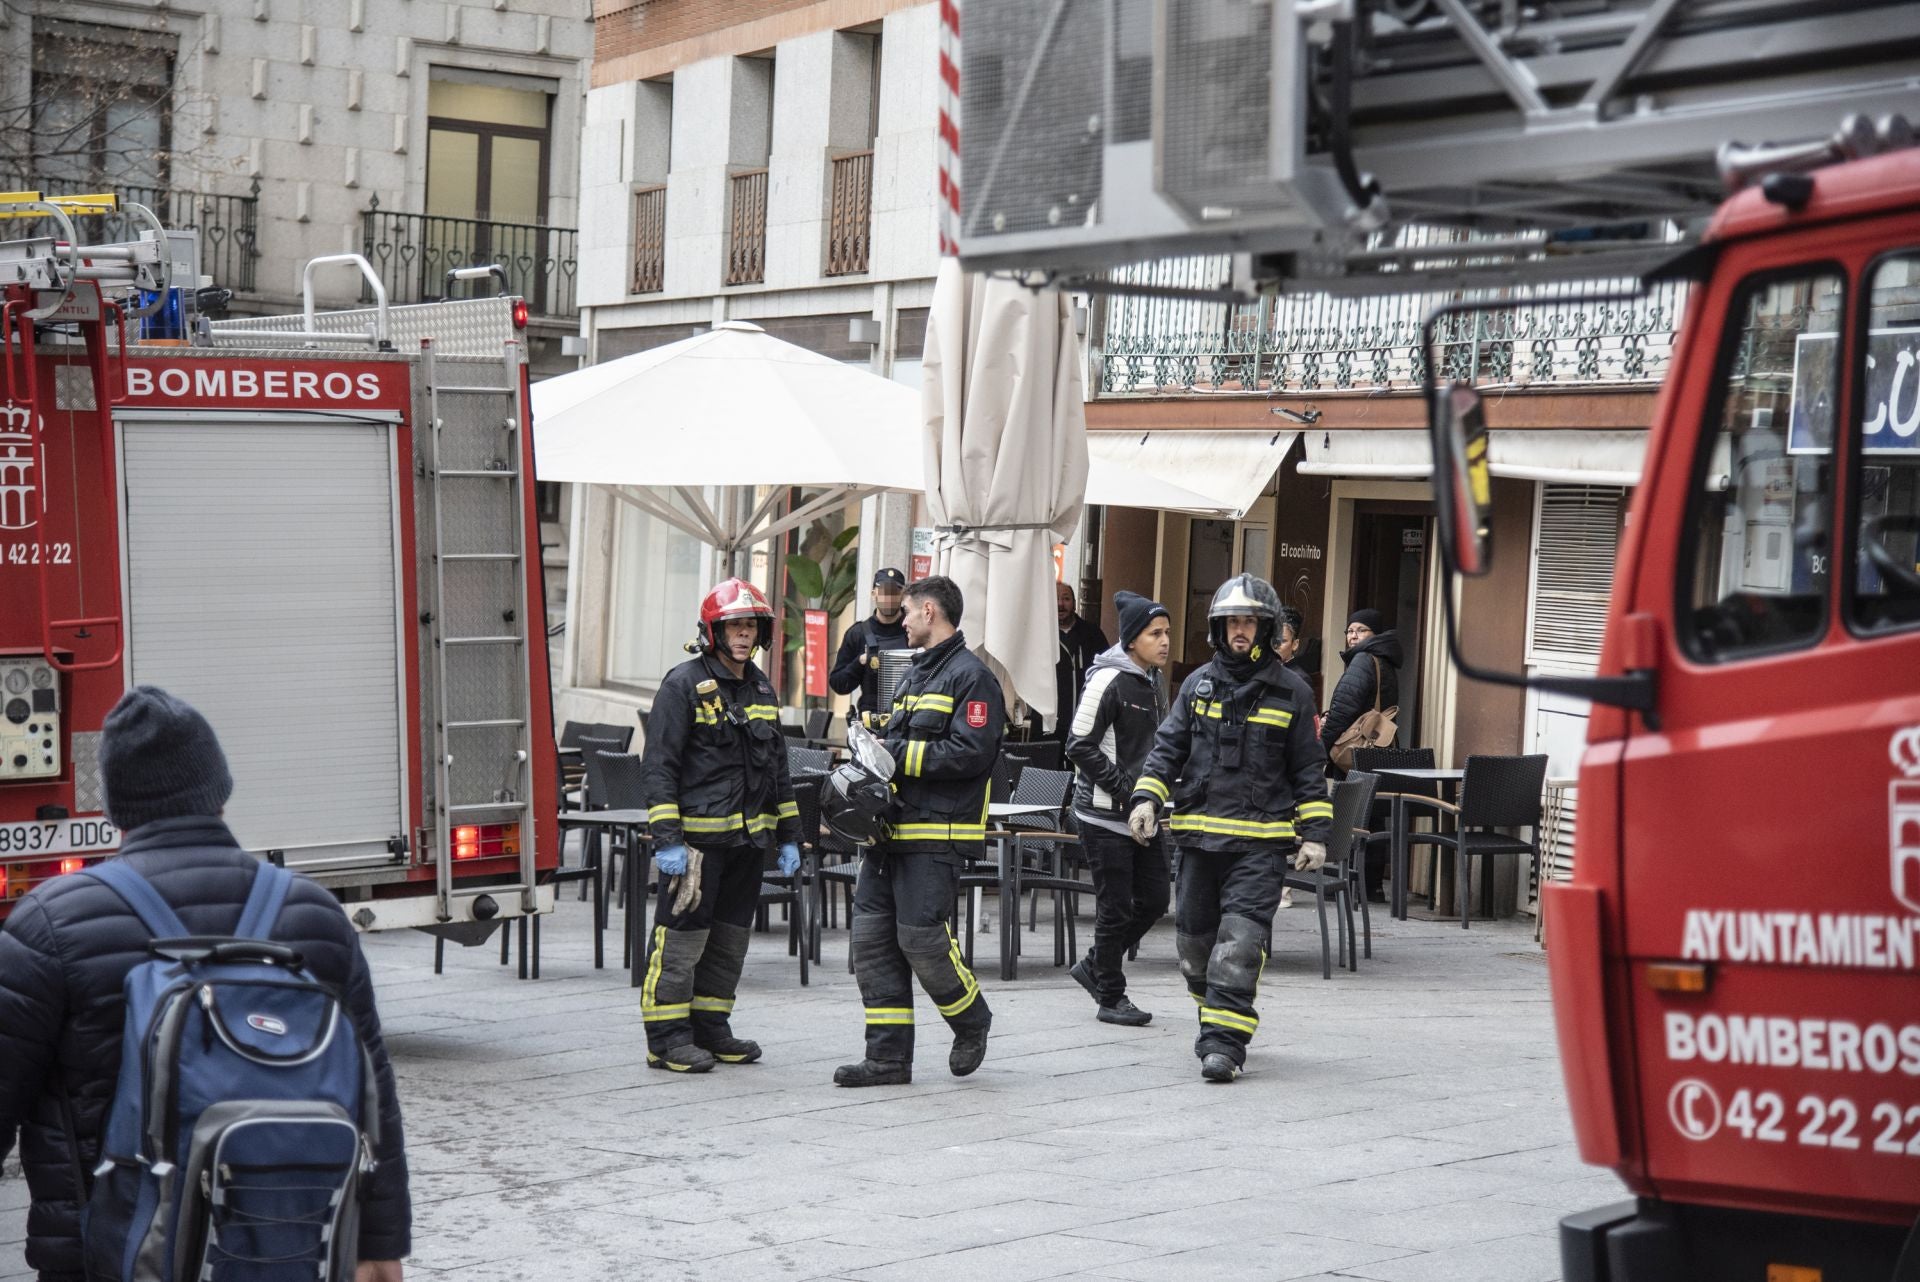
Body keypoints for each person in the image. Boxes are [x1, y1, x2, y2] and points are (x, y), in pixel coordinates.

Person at [0, 686, 411, 1282]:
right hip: (298, 1255)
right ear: (219, 791)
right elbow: (377, 1102)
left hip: (105, 1259)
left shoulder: (51, 923)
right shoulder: (314, 915)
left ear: (115, 809)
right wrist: (380, 1245)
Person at [1129, 574, 1333, 1083]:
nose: (1241, 631)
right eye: (1232, 623)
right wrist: (1147, 799)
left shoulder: (1293, 692)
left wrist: (1315, 834)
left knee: (1240, 944)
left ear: (1265, 629)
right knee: (1195, 948)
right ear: (1219, 629)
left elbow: (1310, 768)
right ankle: (1214, 1015)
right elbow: (1168, 748)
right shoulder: (1197, 686)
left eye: (1250, 622)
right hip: (1198, 840)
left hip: (1259, 845)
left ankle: (1224, 1045)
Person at [835, 575, 998, 1087]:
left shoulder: (973, 679)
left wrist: (896, 753)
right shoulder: (915, 674)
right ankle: (887, 1060)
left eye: (906, 611)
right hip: (887, 834)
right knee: (873, 942)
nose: (899, 620)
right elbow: (897, 745)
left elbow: (973, 753)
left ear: (930, 611)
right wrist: (870, 745)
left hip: (936, 834)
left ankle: (971, 1020)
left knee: (922, 940)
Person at [637, 577, 803, 1075]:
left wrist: (791, 837)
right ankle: (666, 1039)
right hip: (696, 847)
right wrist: (667, 840)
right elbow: (658, 766)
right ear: (713, 630)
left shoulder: (760, 686)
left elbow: (777, 768)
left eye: (750, 624)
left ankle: (711, 1028)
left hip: (748, 844)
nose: (743, 633)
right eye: (733, 624)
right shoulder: (682, 684)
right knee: (682, 939)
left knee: (729, 940)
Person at [1064, 591, 1172, 1026]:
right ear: (1132, 641)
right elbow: (1078, 745)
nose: (1165, 641)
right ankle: (1110, 995)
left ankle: (1095, 964)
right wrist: (1127, 789)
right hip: (1104, 815)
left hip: (1143, 812)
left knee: (1156, 900)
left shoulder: (1152, 681)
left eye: (1167, 633)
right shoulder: (1107, 680)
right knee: (1116, 907)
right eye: (1155, 634)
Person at [1319, 607, 1403, 779]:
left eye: (1361, 630)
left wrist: (1321, 748)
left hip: (1358, 751)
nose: (1353, 636)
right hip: (1379, 748)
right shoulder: (1384, 661)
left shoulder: (1363, 659)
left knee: (1350, 805)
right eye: (1349, 631)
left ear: (1376, 633)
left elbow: (1343, 711)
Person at [829, 567, 911, 720]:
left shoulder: (914, 629)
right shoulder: (858, 633)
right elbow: (838, 684)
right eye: (884, 592)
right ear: (874, 594)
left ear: (903, 595)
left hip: (907, 721)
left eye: (894, 592)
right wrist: (859, 662)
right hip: (871, 723)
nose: (889, 598)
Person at [1048, 582, 1109, 739]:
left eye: (1066, 599)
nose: (1060, 604)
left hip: (1084, 722)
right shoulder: (1043, 634)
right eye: (1055, 599)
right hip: (1048, 722)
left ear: (1074, 603)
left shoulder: (1092, 634)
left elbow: (1107, 673)